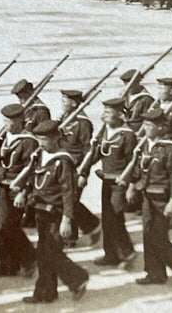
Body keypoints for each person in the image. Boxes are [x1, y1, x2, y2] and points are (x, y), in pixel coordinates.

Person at [16, 120, 89, 304]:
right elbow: (32, 178)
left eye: (45, 139)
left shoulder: (63, 161)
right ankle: (46, 292)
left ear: (56, 138)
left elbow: (68, 193)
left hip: (56, 214)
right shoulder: (40, 156)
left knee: (51, 253)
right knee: (43, 253)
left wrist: (67, 219)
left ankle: (77, 278)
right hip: (42, 212)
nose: (41, 143)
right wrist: (24, 193)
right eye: (39, 139)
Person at [126, 109, 172, 285]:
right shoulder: (145, 146)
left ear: (160, 127)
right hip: (146, 197)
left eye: (149, 125)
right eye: (144, 124)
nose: (145, 128)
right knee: (147, 234)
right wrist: (131, 186)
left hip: (162, 198)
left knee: (158, 236)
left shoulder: (169, 148)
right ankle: (155, 273)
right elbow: (139, 169)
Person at [0, 104, 36, 277]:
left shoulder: (28, 141)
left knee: (10, 226)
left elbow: (32, 169)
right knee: (2, 227)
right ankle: (7, 264)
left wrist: (24, 192)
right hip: (4, 186)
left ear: (19, 121)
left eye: (8, 121)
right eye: (4, 120)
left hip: (18, 188)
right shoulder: (4, 137)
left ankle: (30, 259)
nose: (5, 124)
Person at [87, 97, 136, 269]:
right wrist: (82, 168)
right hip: (106, 181)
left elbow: (133, 163)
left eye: (108, 112)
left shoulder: (127, 135)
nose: (104, 115)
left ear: (119, 114)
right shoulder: (105, 131)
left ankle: (127, 252)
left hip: (120, 183)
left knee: (115, 217)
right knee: (107, 218)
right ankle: (111, 254)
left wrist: (131, 186)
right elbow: (98, 154)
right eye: (104, 111)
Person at [58, 90, 101, 246]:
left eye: (65, 101)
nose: (62, 104)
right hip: (64, 166)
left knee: (71, 202)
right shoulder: (65, 118)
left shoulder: (83, 123)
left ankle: (92, 225)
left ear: (74, 104)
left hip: (76, 168)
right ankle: (71, 236)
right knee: (67, 201)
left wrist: (83, 173)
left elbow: (88, 151)